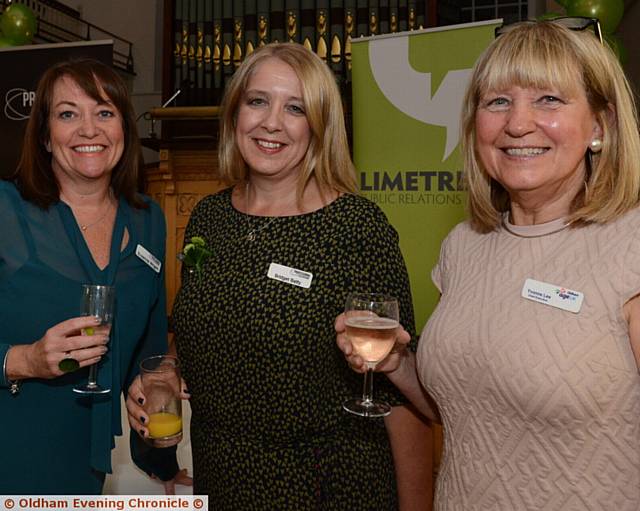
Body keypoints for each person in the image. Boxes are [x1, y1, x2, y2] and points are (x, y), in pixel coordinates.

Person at [337, 18, 640, 510]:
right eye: (497, 101)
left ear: (600, 126)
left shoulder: (632, 247)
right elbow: (460, 407)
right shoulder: (463, 247)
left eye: (549, 99)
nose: (517, 123)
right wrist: (396, 363)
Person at [126, 42, 432, 509]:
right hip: (223, 479)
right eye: (257, 101)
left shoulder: (356, 228)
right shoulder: (209, 219)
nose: (272, 122)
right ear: (235, 114)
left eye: (295, 107)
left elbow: (402, 400)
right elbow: (202, 328)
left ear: (320, 126)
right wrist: (168, 370)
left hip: (328, 488)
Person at [0, 59, 190, 494]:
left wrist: (161, 459)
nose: (90, 129)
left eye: (104, 112)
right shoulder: (6, 211)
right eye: (68, 114)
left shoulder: (147, 220)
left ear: (123, 127)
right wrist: (23, 360)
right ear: (45, 136)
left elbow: (150, 350)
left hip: (83, 471)